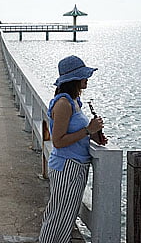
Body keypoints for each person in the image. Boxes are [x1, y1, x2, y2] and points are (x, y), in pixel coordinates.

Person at [39, 55, 107, 243]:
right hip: (67, 166)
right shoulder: (63, 104)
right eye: (84, 76)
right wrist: (88, 130)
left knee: (67, 217)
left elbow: (75, 132)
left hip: (75, 166)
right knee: (57, 217)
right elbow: (58, 141)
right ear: (74, 79)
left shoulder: (74, 101)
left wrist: (94, 135)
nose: (87, 79)